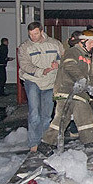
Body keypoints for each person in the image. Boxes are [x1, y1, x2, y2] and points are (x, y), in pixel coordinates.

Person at [40, 30, 93, 152]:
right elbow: (70, 66)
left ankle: (47, 143)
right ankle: (90, 142)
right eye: (91, 43)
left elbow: (91, 75)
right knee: (66, 117)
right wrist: (81, 78)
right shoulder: (73, 52)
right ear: (83, 41)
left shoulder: (87, 56)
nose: (92, 46)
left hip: (77, 93)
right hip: (66, 90)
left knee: (71, 117)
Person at [18, 21, 64, 153]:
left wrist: (58, 64)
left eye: (36, 34)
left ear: (42, 31)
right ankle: (33, 143)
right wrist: (40, 71)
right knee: (34, 113)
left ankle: (45, 141)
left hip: (50, 82)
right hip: (33, 80)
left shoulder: (55, 44)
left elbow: (64, 57)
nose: (33, 37)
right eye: (31, 34)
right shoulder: (25, 47)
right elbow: (25, 65)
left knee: (46, 115)